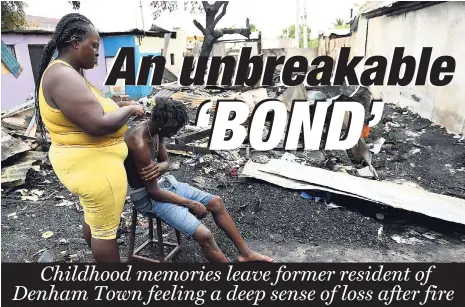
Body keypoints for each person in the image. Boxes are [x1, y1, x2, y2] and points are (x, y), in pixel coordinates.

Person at [35, 13, 157, 262]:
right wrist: (130, 109)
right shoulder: (63, 76)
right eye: (94, 46)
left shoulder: (69, 73)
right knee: (105, 231)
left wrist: (117, 105)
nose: (97, 52)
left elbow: (93, 110)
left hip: (91, 165)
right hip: (96, 170)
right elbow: (97, 125)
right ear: (75, 42)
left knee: (95, 217)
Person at [124, 98, 273, 263]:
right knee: (205, 235)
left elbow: (166, 161)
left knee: (217, 202)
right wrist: (190, 204)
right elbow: (153, 193)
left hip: (163, 185)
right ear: (162, 123)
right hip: (147, 197)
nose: (176, 133)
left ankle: (246, 254)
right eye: (174, 129)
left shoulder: (157, 130)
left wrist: (160, 167)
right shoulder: (139, 144)